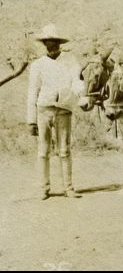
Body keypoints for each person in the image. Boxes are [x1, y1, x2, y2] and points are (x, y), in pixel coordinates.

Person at [27, 24, 84, 200]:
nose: (51, 45)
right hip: (43, 110)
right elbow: (32, 92)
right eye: (47, 42)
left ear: (59, 43)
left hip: (63, 110)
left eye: (54, 41)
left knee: (64, 150)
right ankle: (43, 188)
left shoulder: (70, 61)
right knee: (43, 151)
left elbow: (77, 81)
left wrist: (82, 95)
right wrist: (31, 120)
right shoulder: (38, 65)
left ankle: (68, 187)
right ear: (44, 44)